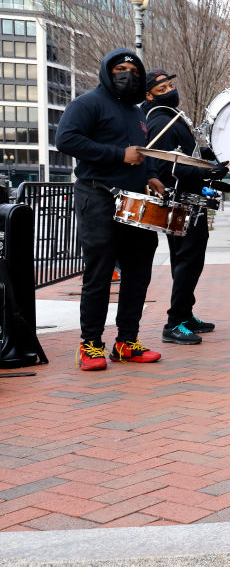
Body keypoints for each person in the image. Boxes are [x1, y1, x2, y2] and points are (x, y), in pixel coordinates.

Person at [55, 48, 163, 371]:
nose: (126, 72)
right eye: (119, 67)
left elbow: (140, 154)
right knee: (99, 273)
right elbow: (66, 139)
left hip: (133, 202)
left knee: (139, 269)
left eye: (132, 68)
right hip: (96, 195)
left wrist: (152, 174)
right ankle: (90, 345)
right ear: (106, 71)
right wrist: (118, 155)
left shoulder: (139, 112)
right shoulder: (88, 104)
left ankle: (126, 342)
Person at [141, 68, 228, 346]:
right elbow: (165, 167)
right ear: (148, 94)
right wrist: (205, 173)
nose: (169, 90)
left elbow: (184, 157)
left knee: (188, 261)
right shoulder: (159, 121)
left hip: (187, 201)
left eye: (169, 85)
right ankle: (174, 322)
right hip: (181, 203)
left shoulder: (170, 118)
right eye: (162, 88)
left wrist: (207, 158)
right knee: (187, 262)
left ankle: (185, 315)